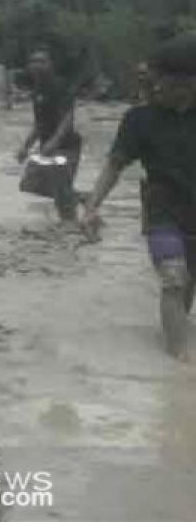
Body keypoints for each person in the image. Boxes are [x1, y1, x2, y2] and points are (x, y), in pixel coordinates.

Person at [82, 57, 196, 358]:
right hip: (162, 212)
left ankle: (174, 340)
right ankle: (180, 365)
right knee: (173, 278)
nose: (178, 92)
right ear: (161, 83)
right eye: (172, 85)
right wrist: (92, 206)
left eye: (187, 84)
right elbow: (114, 166)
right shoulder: (139, 120)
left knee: (187, 285)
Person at [16, 48, 83, 221]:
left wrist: (54, 141)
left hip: (66, 147)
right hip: (46, 147)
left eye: (41, 61)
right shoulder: (37, 91)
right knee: (29, 184)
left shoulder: (60, 86)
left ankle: (69, 227)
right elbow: (39, 123)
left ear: (50, 65)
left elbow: (68, 118)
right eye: (33, 62)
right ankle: (81, 197)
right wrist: (25, 146)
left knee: (61, 194)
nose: (36, 66)